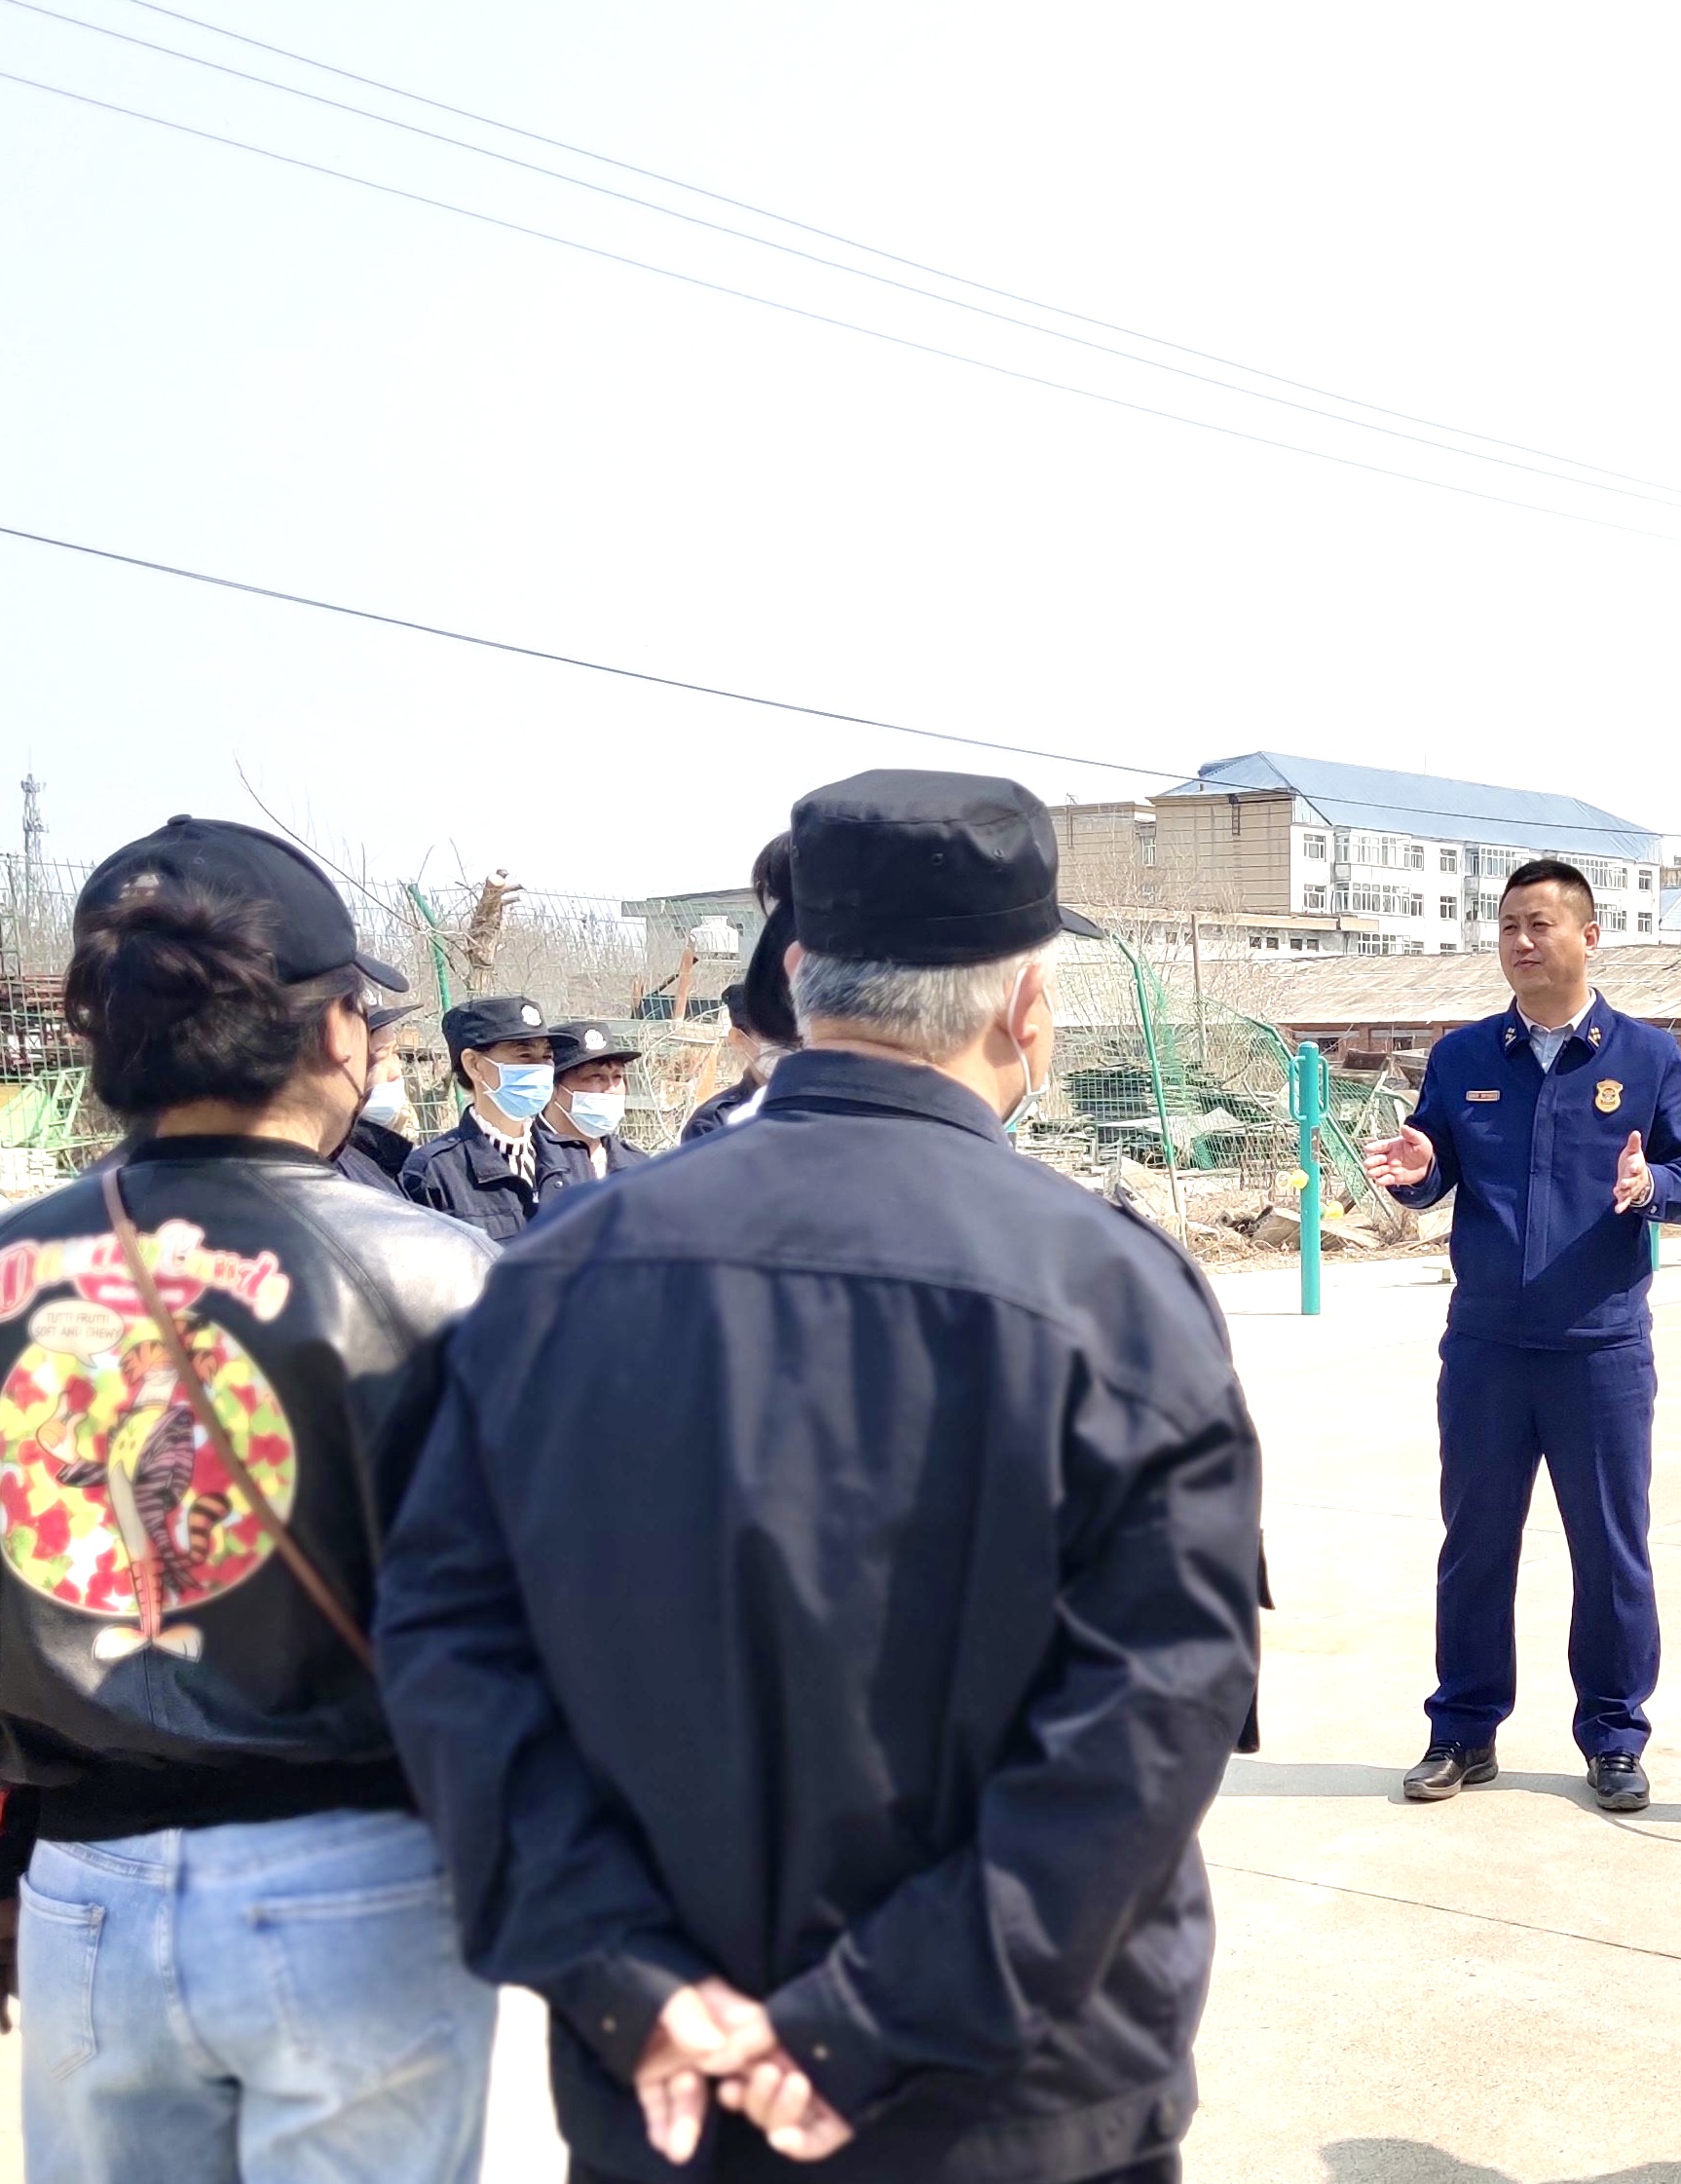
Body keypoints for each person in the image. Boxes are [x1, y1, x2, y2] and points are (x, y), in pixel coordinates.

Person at [375, 770, 1262, 2184]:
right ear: (1027, 1005)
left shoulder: (552, 1280)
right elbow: (1156, 1714)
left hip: (674, 2086)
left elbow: (445, 1656)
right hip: (1021, 2104)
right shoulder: (1119, 1295)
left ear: (795, 974)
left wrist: (626, 1974)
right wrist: (864, 2022)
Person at [0, 815, 499, 2182]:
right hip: (357, 1878)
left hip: (82, 1892)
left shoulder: (7, 1263)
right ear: (337, 1031)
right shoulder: (447, 1275)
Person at [1363, 857, 1681, 1813]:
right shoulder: (1464, 1057)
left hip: (1599, 1349)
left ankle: (1611, 1736)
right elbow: (1430, 1166)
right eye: (1509, 925)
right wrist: (1417, 1165)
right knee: (1474, 1543)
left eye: (1541, 924)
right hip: (1484, 1346)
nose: (1521, 941)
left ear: (1588, 936)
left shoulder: (1645, 1058)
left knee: (1608, 1550)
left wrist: (1654, 1189)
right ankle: (1461, 1732)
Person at [399, 995, 568, 1239]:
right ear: (474, 1065)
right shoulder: (432, 1174)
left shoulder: (569, 1158)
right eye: (524, 1057)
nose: (541, 1069)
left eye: (546, 1057)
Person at [540, 1019, 652, 1189]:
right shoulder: (527, 1157)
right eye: (596, 1077)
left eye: (617, 1077)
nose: (611, 1088)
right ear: (554, 1087)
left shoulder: (637, 1163)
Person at [333, 1000, 423, 1193]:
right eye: (379, 1059)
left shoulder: (388, 1157)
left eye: (396, 1054)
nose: (396, 1072)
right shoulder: (337, 1171)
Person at [678, 979, 766, 1142]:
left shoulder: (822, 1105)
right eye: (773, 1035)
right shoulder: (713, 1125)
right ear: (739, 1039)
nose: (789, 1045)